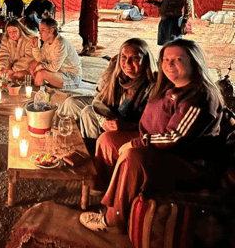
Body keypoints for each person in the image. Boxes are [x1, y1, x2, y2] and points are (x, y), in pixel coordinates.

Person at [80, 39, 224, 233]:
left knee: (133, 156)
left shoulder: (199, 96)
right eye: (166, 59)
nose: (169, 65)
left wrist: (136, 143)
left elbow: (175, 138)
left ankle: (113, 217)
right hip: (159, 148)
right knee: (108, 140)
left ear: (194, 62)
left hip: (188, 163)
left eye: (178, 59)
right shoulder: (170, 85)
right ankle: (106, 195)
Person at [58, 38, 157, 154]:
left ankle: (92, 153)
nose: (127, 63)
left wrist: (125, 125)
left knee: (88, 112)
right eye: (124, 57)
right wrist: (103, 119)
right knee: (72, 103)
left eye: (135, 58)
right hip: (110, 109)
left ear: (145, 60)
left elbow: (151, 123)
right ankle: (60, 140)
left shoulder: (152, 86)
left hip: (129, 121)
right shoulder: (114, 71)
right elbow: (99, 99)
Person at [29, 18, 81, 90]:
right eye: (39, 30)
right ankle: (39, 86)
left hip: (71, 77)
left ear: (51, 31)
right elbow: (40, 59)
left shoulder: (60, 43)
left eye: (42, 30)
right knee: (33, 64)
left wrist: (40, 67)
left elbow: (54, 68)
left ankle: (37, 94)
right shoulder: (47, 42)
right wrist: (35, 47)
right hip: (59, 73)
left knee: (41, 73)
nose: (39, 33)